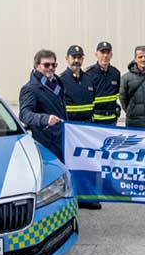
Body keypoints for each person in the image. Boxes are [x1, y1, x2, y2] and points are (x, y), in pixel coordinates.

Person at [60, 44, 101, 210]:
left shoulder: (88, 79)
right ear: (67, 59)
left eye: (79, 57)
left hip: (87, 130)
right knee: (72, 166)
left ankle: (87, 197)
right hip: (71, 132)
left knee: (87, 164)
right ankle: (72, 197)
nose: (76, 60)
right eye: (73, 57)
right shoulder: (61, 80)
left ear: (83, 58)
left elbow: (92, 102)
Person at [19, 49, 66, 161]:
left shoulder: (58, 83)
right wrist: (45, 119)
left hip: (61, 138)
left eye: (53, 65)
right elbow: (24, 114)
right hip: (45, 142)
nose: (51, 68)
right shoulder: (30, 88)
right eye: (46, 65)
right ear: (36, 66)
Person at [86, 41, 122, 125]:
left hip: (112, 120)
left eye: (108, 53)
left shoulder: (115, 73)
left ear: (111, 55)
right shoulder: (89, 74)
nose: (105, 56)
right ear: (96, 54)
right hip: (95, 121)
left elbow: (118, 95)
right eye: (102, 52)